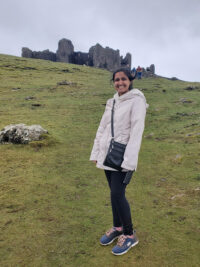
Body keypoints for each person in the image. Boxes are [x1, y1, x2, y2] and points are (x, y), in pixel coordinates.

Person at [90, 68, 148, 256]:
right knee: (113, 194)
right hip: (108, 154)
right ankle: (118, 227)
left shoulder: (137, 100)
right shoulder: (112, 101)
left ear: (130, 80)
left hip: (123, 156)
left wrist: (129, 162)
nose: (120, 82)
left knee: (118, 193)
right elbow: (102, 128)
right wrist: (96, 153)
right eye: (116, 80)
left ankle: (130, 235)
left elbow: (136, 132)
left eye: (123, 79)